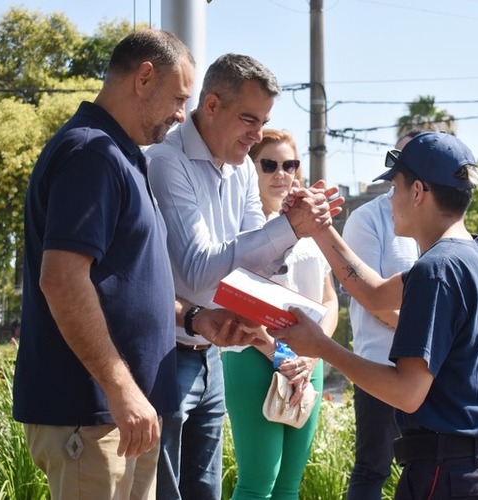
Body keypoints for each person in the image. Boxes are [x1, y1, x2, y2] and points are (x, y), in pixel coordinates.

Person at [13, 30, 257, 500]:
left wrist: (195, 318)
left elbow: (128, 283)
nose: (181, 114)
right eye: (179, 98)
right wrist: (120, 389)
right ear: (144, 78)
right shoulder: (92, 153)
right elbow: (62, 279)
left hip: (122, 415)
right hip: (93, 414)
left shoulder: (121, 155)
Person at [273, 131, 478, 499]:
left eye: (395, 187)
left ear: (418, 192)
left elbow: (406, 393)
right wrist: (320, 227)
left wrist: (322, 347)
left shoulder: (436, 270)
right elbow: (372, 292)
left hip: (447, 477)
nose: (390, 199)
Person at [146, 53, 339, 500]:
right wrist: (289, 228)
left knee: (210, 492)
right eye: (250, 120)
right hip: (167, 353)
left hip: (212, 353)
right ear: (211, 105)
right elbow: (199, 270)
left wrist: (292, 226)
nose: (256, 135)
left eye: (264, 122)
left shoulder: (240, 171)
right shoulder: (166, 161)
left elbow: (254, 271)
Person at [222, 128, 339, 499]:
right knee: (258, 484)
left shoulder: (313, 228)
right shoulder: (244, 226)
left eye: (290, 165)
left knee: (289, 486)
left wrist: (313, 354)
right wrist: (281, 354)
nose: (281, 174)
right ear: (250, 168)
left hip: (308, 363)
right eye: (269, 164)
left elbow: (330, 300)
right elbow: (236, 303)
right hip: (252, 355)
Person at [343, 130, 421, 500]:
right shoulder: (367, 219)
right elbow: (372, 300)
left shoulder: (436, 221)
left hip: (428, 368)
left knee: (425, 466)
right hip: (380, 367)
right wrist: (426, 334)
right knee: (373, 468)